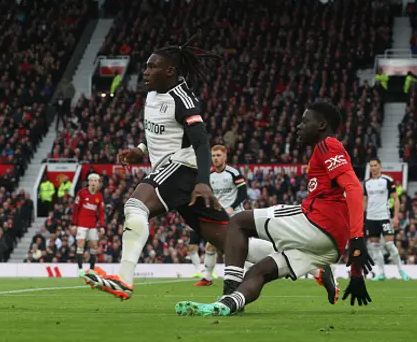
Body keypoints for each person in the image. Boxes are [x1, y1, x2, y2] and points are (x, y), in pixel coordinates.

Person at [80, 35, 276, 300]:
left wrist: (203, 180)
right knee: (228, 240)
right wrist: (140, 150)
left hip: (183, 168)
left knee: (136, 206)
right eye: (146, 66)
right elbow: (162, 133)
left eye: (152, 67)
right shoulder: (151, 95)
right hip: (174, 173)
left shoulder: (183, 98)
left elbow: (201, 142)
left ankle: (124, 279)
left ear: (170, 71)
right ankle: (299, 261)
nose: (145, 71)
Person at [176, 101, 375, 316]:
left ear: (321, 125)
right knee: (259, 271)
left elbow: (353, 187)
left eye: (304, 121)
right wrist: (356, 274)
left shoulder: (328, 144)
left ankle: (228, 290)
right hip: (331, 246)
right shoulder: (322, 152)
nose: (299, 126)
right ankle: (228, 305)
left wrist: (357, 239)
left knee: (238, 221)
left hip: (318, 223)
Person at [192, 145, 250, 287]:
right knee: (211, 246)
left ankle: (210, 276)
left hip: (235, 214)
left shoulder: (233, 173)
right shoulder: (210, 175)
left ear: (225, 157)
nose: (216, 158)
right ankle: (207, 277)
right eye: (213, 156)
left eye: (218, 155)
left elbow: (243, 193)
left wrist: (232, 207)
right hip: (219, 215)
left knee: (234, 245)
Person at [364, 157, 408, 281]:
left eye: (375, 165)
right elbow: (364, 201)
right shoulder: (367, 183)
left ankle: (401, 271)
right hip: (371, 218)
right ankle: (381, 273)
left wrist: (395, 216)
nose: (373, 168)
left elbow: (396, 199)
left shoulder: (387, 180)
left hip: (384, 216)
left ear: (380, 166)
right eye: (371, 166)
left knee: (389, 244)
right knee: (375, 246)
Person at [73, 174, 104, 273]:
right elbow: (76, 209)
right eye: (92, 181)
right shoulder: (81, 193)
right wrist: (74, 224)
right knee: (80, 244)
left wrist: (102, 225)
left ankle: (91, 269)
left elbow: (101, 212)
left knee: (94, 246)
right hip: (82, 224)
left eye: (96, 181)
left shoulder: (99, 196)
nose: (94, 183)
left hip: (92, 225)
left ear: (98, 183)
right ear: (89, 182)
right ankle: (80, 269)